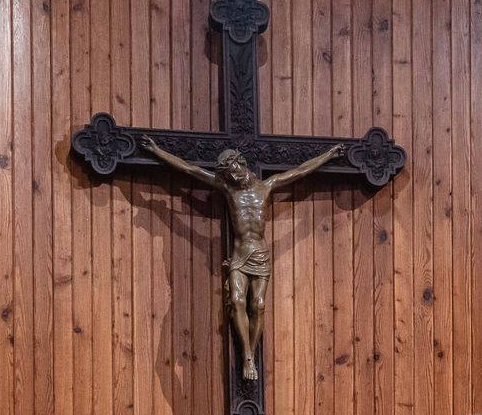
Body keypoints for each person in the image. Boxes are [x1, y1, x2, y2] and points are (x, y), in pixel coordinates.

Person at [141, 137, 340, 381]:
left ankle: (252, 354)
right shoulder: (227, 188)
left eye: (233, 171)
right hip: (239, 254)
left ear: (241, 162)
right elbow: (189, 169)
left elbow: (301, 171)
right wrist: (157, 149)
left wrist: (328, 156)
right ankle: (247, 355)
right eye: (228, 175)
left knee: (258, 305)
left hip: (260, 253)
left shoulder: (268, 185)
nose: (233, 177)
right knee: (236, 301)